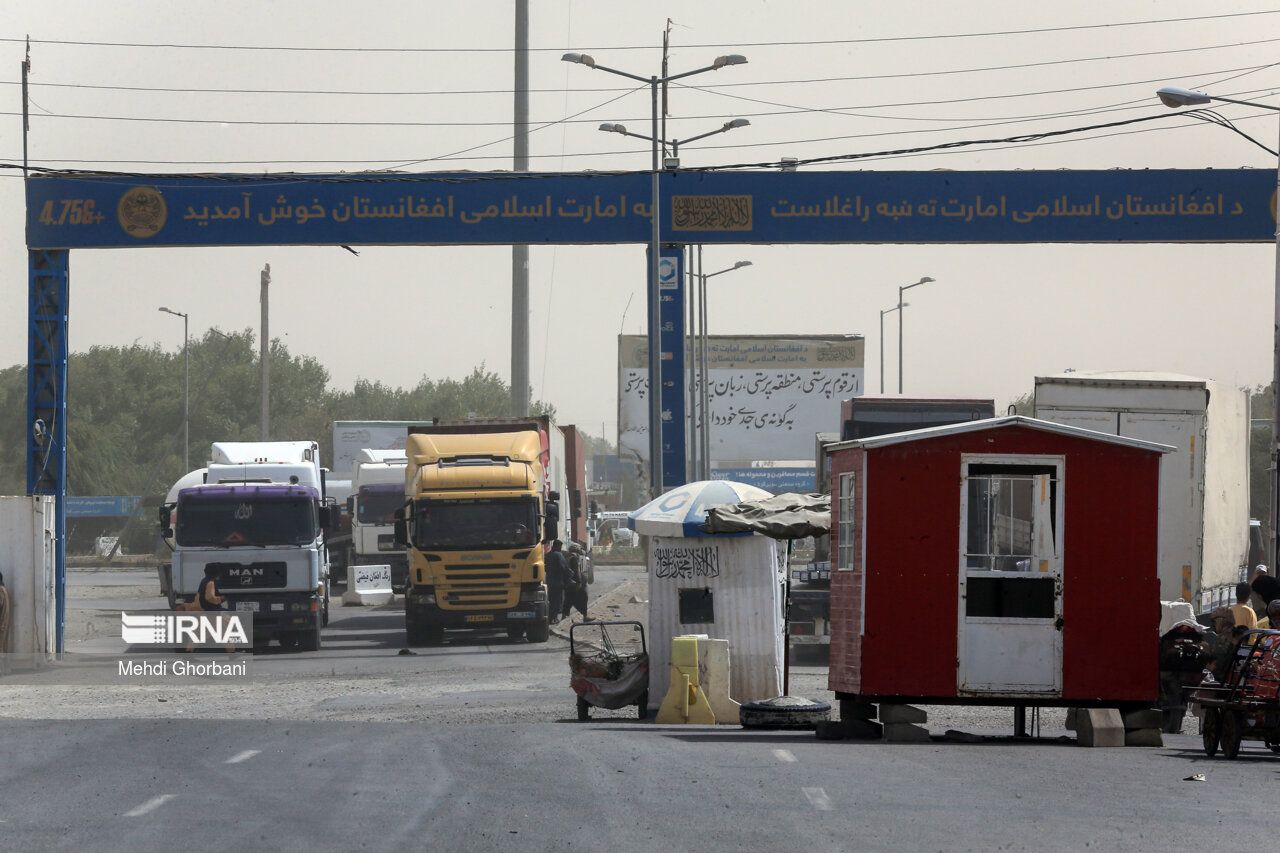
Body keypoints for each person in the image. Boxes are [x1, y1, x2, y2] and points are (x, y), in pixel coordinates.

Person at [562, 542, 590, 621]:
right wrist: (579, 582)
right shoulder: (574, 557)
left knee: (568, 599)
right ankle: (585, 616)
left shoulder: (567, 556)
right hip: (576, 583)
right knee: (583, 597)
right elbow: (576, 570)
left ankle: (563, 617)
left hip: (568, 582)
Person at [544, 540, 569, 623]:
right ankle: (554, 618)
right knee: (557, 601)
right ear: (558, 546)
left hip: (549, 581)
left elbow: (545, 568)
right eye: (560, 547)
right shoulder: (559, 555)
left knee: (550, 600)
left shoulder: (547, 555)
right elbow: (563, 567)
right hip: (558, 582)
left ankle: (550, 618)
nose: (561, 548)